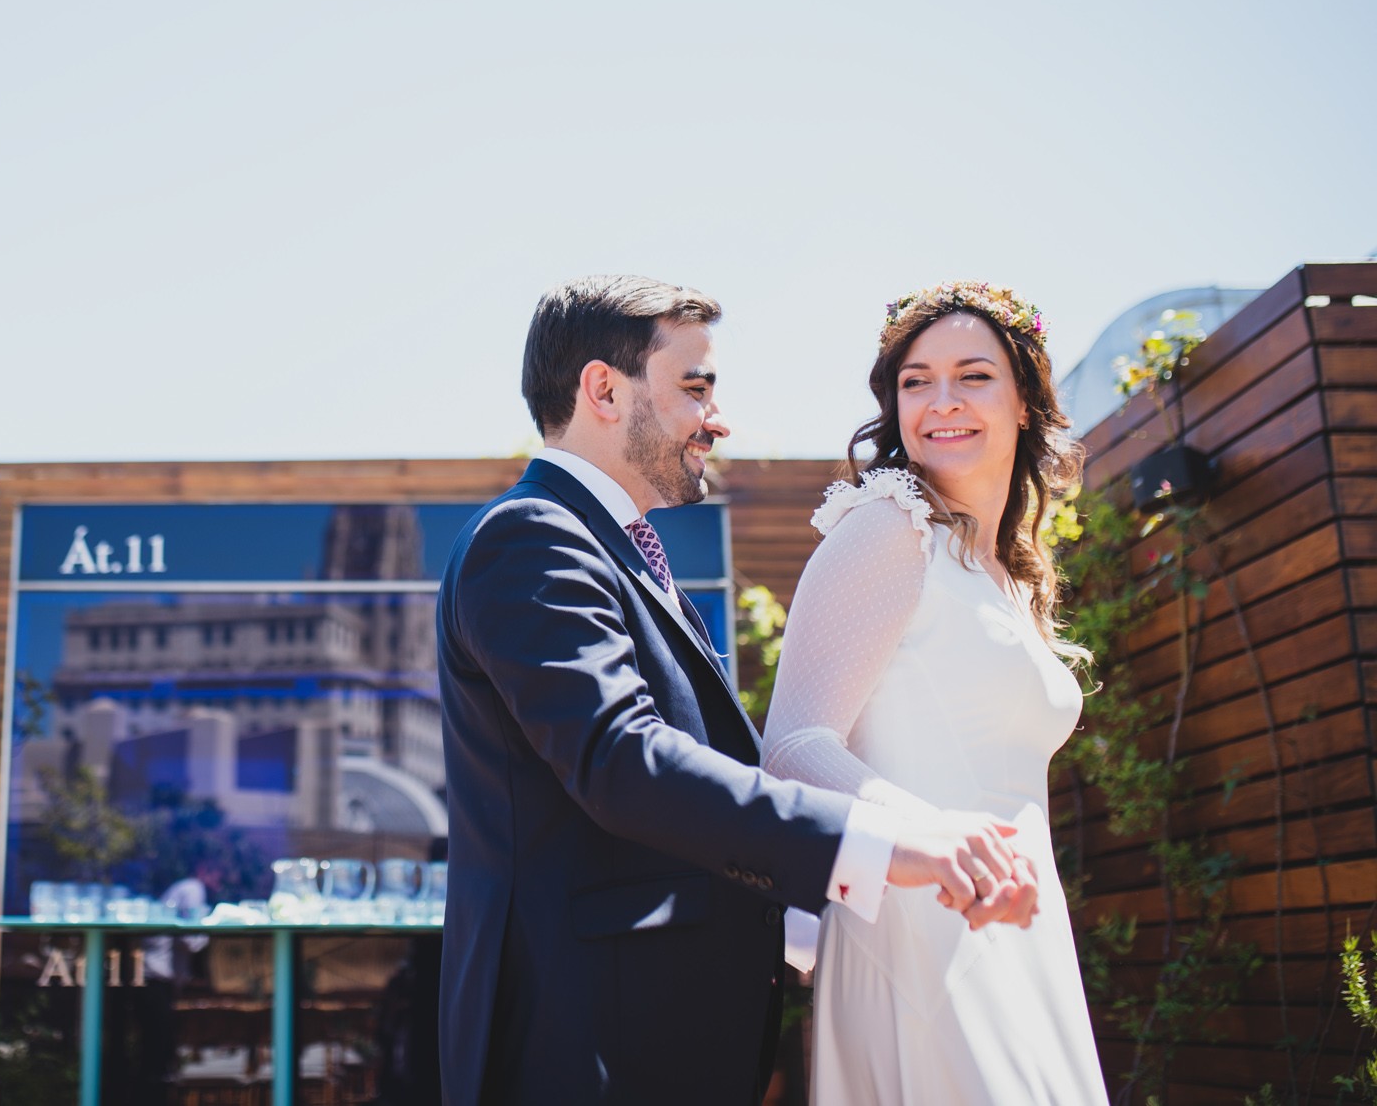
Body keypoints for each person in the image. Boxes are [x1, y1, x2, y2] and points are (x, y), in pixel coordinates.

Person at [437, 275, 1041, 1106]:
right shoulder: (531, 538)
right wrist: (889, 843)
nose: (717, 420)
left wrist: (809, 925)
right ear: (603, 390)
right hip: (581, 1050)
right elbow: (624, 760)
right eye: (695, 388)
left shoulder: (620, 553)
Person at [761, 281, 1107, 1103]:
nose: (941, 400)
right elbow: (794, 746)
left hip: (1019, 921)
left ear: (1025, 402)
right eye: (916, 381)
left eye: (973, 376)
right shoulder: (888, 527)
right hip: (918, 923)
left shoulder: (1007, 573)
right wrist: (935, 836)